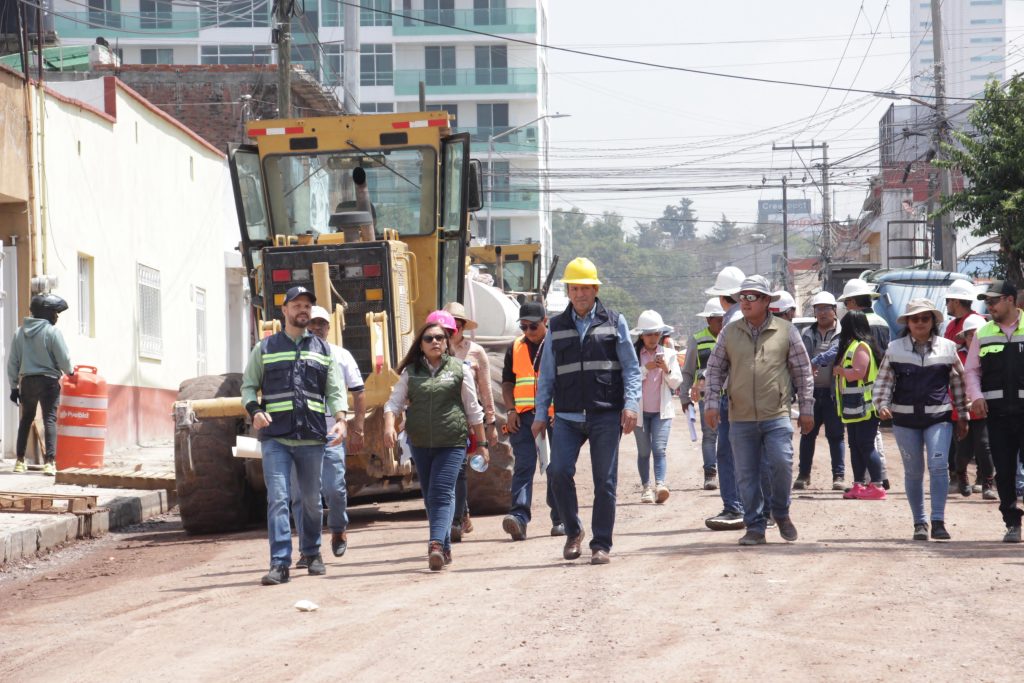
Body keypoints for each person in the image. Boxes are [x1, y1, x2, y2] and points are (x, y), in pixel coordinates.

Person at [532, 257, 641, 565]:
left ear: (596, 289)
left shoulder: (614, 321)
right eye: (574, 288)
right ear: (568, 291)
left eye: (585, 288)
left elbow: (632, 369)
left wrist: (631, 405)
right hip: (567, 416)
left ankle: (601, 544)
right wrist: (541, 414)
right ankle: (573, 531)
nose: (580, 294)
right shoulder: (556, 326)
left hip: (605, 414)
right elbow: (548, 376)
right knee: (557, 471)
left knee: (604, 481)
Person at [240, 286, 348, 586]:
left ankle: (312, 553)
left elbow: (335, 390)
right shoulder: (264, 349)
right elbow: (248, 387)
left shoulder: (324, 350)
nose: (303, 310)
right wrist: (254, 410)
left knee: (312, 501)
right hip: (276, 438)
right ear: (284, 310)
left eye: (307, 306)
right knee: (278, 498)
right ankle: (279, 563)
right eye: (297, 305)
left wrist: (341, 419)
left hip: (312, 438)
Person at [704, 275, 815, 546]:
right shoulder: (729, 332)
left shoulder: (786, 331)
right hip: (740, 416)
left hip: (776, 414)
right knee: (746, 473)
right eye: (742, 296)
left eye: (752, 297)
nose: (745, 301)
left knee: (781, 463)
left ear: (766, 301)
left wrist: (807, 408)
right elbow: (715, 369)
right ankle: (755, 526)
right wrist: (710, 403)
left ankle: (781, 511)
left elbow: (802, 372)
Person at [384, 319, 488, 570]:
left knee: (441, 492)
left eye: (440, 338)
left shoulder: (459, 369)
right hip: (420, 442)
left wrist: (482, 444)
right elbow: (393, 403)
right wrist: (388, 425)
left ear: (447, 343)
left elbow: (474, 410)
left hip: (452, 442)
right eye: (429, 338)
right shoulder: (412, 372)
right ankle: (446, 547)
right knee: (432, 496)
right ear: (420, 344)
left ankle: (436, 545)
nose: (435, 342)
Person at [874, 299, 968, 541]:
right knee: (914, 471)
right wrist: (881, 405)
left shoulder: (948, 349)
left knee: (938, 466)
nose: (920, 323)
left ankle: (938, 520)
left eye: (925, 318)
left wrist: (963, 416)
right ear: (907, 322)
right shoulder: (895, 349)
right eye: (915, 318)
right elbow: (883, 381)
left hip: (939, 417)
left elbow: (959, 383)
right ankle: (920, 522)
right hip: (905, 420)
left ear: (933, 321)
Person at [289, 305, 365, 562]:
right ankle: (307, 549)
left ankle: (338, 529)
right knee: (301, 495)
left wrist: (357, 427)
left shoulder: (340, 356)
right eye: (311, 323)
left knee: (334, 489)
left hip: (331, 433)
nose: (316, 328)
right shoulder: (292, 354)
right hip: (300, 435)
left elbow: (358, 390)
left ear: (329, 328)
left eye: (321, 324)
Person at [964, 280, 1024, 543]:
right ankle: (1012, 522)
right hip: (997, 415)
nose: (989, 306)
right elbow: (972, 370)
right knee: (1005, 469)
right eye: (987, 302)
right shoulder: (983, 333)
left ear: (1010, 299)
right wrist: (976, 396)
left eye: (993, 301)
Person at [500, 301, 563, 540]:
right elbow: (508, 383)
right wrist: (510, 410)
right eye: (523, 326)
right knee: (524, 465)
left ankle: (560, 518)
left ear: (545, 322)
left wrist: (562, 411)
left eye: (533, 326)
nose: (528, 332)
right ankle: (518, 517)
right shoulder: (514, 347)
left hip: (554, 415)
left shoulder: (558, 345)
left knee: (556, 467)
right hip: (523, 417)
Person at [442, 301, 498, 542]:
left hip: (468, 417)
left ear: (464, 326)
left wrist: (491, 423)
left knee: (460, 470)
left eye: (459, 323)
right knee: (451, 471)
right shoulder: (434, 349)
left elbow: (485, 389)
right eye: (450, 323)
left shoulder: (475, 352)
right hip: (442, 417)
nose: (454, 327)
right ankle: (462, 514)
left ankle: (455, 521)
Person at [702, 266, 748, 531]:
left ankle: (734, 507)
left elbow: (720, 365)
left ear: (722, 298)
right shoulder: (751, 318)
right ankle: (759, 507)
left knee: (728, 454)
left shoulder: (730, 322)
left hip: (732, 396)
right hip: (753, 396)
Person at [7, 294, 73, 476]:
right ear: (45, 312)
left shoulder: (19, 332)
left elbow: (12, 361)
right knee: (49, 419)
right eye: (54, 312)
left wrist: (14, 387)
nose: (57, 316)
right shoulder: (52, 332)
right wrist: (70, 372)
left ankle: (19, 461)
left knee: (26, 419)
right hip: (49, 381)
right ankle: (50, 463)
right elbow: (64, 358)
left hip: (27, 381)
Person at [838, 278, 891, 490]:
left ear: (853, 302)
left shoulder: (857, 328)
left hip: (863, 388)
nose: (846, 308)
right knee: (873, 434)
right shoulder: (883, 322)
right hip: (881, 382)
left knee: (865, 440)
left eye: (846, 303)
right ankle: (881, 476)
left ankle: (874, 480)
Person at [795, 291, 847, 491]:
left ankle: (839, 476)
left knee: (836, 435)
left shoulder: (842, 334)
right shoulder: (806, 333)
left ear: (834, 311)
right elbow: (800, 358)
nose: (823, 313)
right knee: (807, 433)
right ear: (814, 312)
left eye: (827, 308)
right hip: (812, 394)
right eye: (819, 309)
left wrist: (815, 361)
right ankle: (803, 474)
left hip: (834, 393)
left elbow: (836, 352)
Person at [833, 311, 887, 501]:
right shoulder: (852, 346)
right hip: (853, 407)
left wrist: (839, 370)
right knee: (855, 445)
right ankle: (858, 484)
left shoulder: (861, 346)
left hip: (866, 406)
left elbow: (858, 373)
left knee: (865, 445)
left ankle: (877, 485)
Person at [631, 310, 683, 504]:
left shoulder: (669, 354)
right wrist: (647, 368)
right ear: (641, 335)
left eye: (656, 334)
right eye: (648, 334)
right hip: (640, 412)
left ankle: (660, 484)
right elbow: (629, 379)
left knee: (659, 449)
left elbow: (676, 382)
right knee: (644, 451)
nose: (653, 338)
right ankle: (646, 487)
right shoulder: (634, 354)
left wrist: (665, 369)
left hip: (662, 412)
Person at [942, 279, 987, 489]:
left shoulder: (977, 322)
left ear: (957, 301)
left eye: (949, 300)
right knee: (958, 442)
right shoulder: (952, 325)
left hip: (978, 392)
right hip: (954, 392)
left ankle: (983, 479)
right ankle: (957, 475)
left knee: (983, 442)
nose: (947, 304)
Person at [680, 297, 725, 490]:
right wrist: (684, 396)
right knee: (710, 435)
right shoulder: (697, 339)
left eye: (723, 318)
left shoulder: (732, 336)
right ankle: (710, 474)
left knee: (730, 436)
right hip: (707, 396)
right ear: (708, 320)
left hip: (732, 395)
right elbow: (688, 370)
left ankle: (730, 473)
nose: (721, 322)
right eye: (717, 319)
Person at [952, 316, 996, 499]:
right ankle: (961, 474)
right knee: (963, 451)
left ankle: (987, 484)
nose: (974, 339)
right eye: (971, 336)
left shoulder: (991, 353)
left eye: (977, 335)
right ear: (965, 337)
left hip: (984, 409)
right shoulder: (956, 355)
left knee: (984, 447)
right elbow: (951, 384)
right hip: (961, 411)